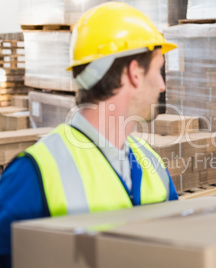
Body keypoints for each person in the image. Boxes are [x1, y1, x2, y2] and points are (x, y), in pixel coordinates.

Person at [0, 2, 179, 267]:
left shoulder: (152, 165)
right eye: (158, 69)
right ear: (134, 73)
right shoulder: (33, 172)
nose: (162, 85)